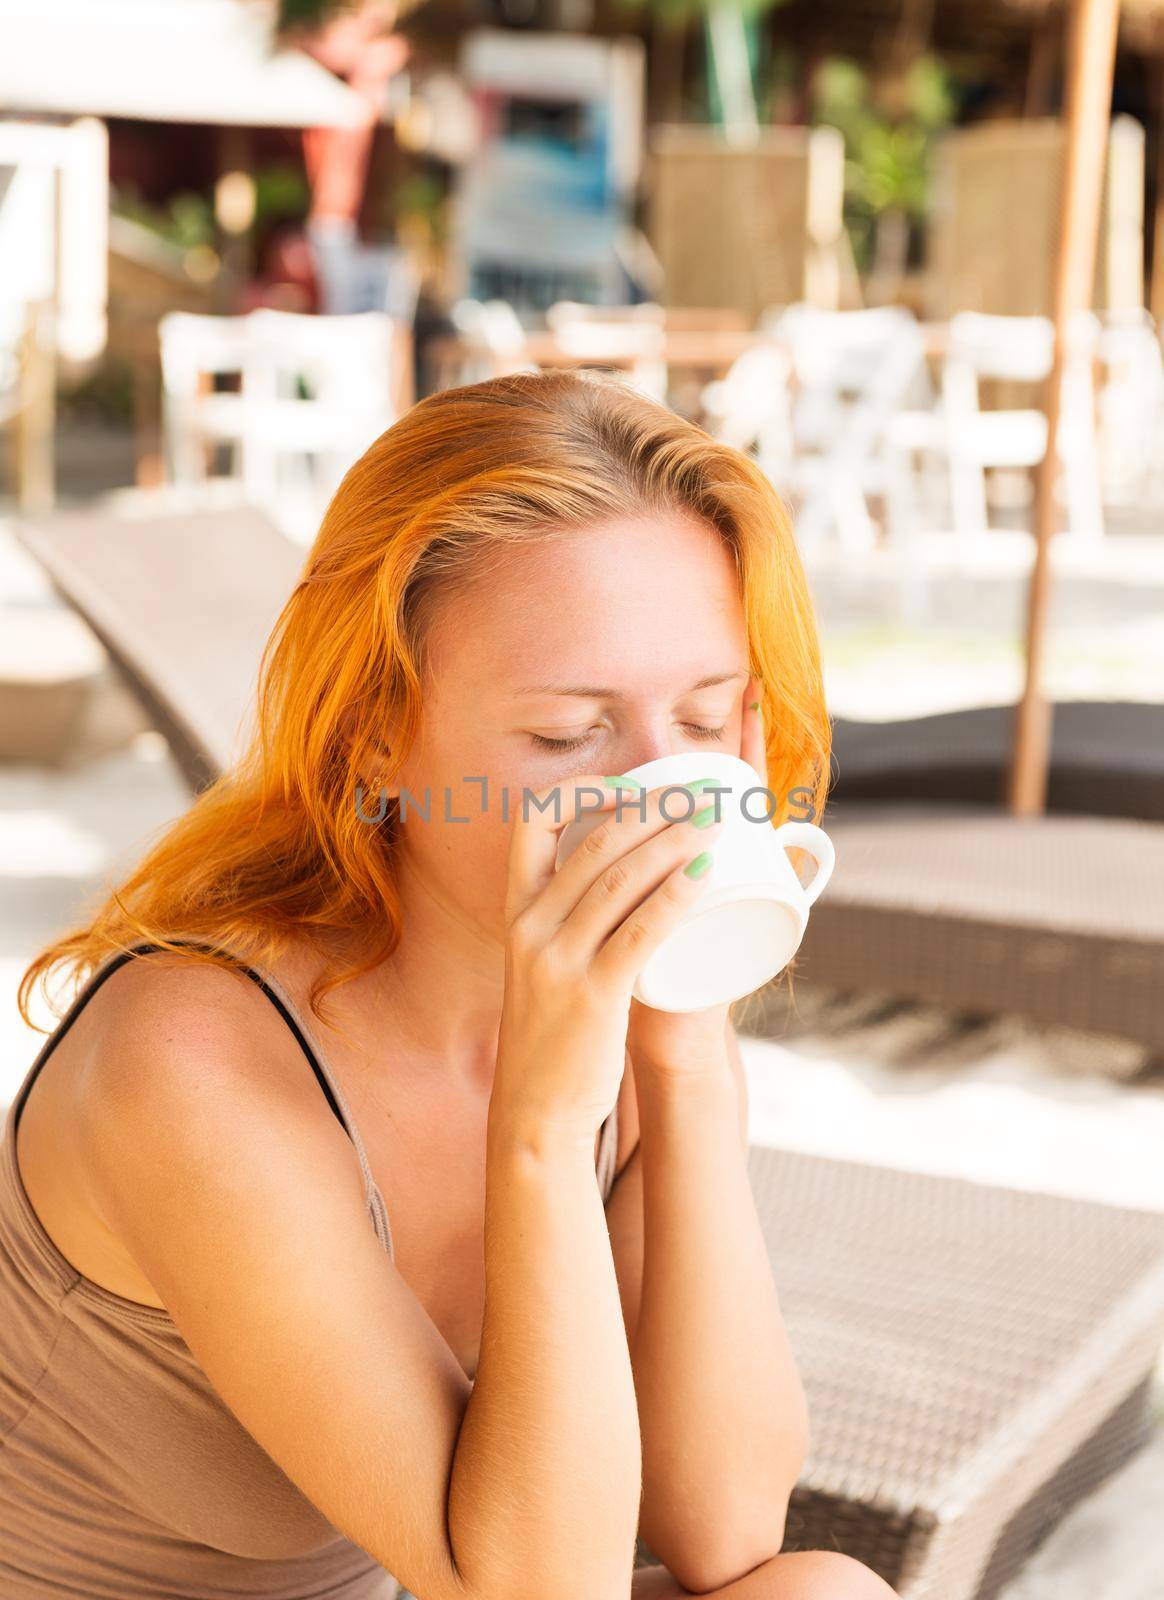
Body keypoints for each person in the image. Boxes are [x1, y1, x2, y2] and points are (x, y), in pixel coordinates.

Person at [3, 370, 897, 1599]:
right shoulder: (195, 1061)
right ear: (373, 736)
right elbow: (536, 1589)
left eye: (701, 721)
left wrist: (684, 1062)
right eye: (566, 734)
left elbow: (723, 1524)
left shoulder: (628, 1030)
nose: (656, 791)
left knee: (821, 1591)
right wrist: (537, 1129)